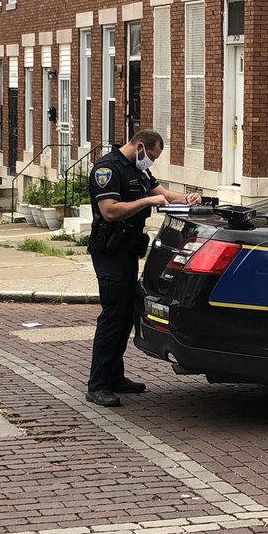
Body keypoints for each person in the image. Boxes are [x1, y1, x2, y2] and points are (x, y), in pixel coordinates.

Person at [86, 129, 201, 407]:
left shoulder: (138, 171)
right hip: (110, 252)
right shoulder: (107, 169)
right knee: (113, 316)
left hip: (127, 251)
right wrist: (147, 202)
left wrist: (187, 198)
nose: (151, 162)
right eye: (151, 156)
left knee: (126, 315)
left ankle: (115, 377)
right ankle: (98, 384)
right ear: (139, 147)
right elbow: (110, 211)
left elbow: (161, 193)